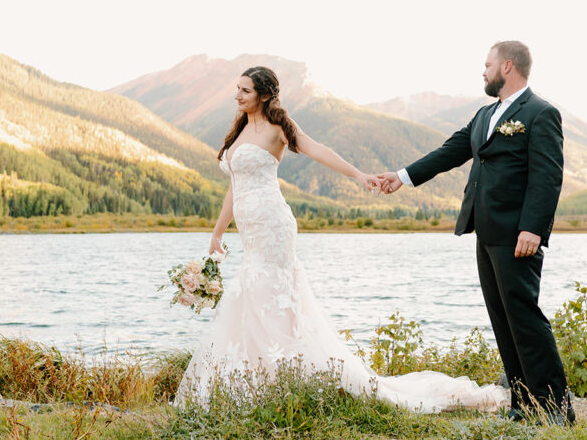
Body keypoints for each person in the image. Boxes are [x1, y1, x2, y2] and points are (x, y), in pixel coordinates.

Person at [173, 65, 507, 413]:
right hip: (250, 229)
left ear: (265, 94)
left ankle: (291, 378)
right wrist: (216, 231)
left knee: (272, 294)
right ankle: (261, 380)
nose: (237, 95)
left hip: (273, 225)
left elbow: (319, 150)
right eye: (237, 89)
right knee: (253, 294)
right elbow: (235, 187)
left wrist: (359, 175)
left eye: (245, 90)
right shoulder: (239, 130)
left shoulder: (278, 128)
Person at [377, 41, 574, 425]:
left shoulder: (540, 113)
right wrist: (401, 177)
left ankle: (555, 411)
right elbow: (451, 151)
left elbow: (548, 177)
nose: (482, 72)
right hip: (484, 230)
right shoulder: (484, 114)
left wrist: (533, 228)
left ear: (507, 66)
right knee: (502, 319)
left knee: (526, 320)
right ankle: (523, 405)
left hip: (519, 234)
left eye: (487, 65)